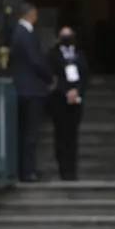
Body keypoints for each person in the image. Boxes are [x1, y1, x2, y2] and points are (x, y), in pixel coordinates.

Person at [10, 2, 56, 182]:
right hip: (31, 89)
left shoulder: (20, 33)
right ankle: (27, 171)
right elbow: (35, 60)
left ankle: (27, 169)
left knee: (27, 132)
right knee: (30, 133)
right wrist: (50, 77)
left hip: (26, 88)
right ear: (31, 14)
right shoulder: (24, 34)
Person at [46, 26, 88, 180]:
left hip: (76, 102)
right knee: (61, 137)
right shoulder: (53, 55)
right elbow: (52, 76)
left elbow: (84, 76)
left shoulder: (79, 55)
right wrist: (65, 91)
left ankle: (72, 169)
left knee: (72, 137)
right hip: (59, 101)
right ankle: (63, 169)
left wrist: (77, 91)